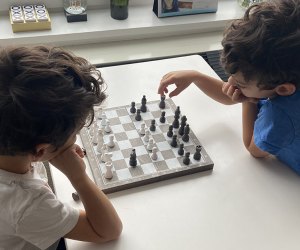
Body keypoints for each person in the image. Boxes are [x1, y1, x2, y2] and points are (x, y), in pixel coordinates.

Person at [0, 46, 122, 250]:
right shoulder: (27, 205)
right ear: (40, 151)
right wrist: (78, 177)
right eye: (74, 134)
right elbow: (108, 230)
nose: (75, 138)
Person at [158, 0, 300, 174]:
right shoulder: (285, 72)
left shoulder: (280, 117)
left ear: (284, 90)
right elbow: (231, 94)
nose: (230, 83)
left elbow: (253, 149)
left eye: (240, 83)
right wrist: (196, 76)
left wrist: (249, 102)